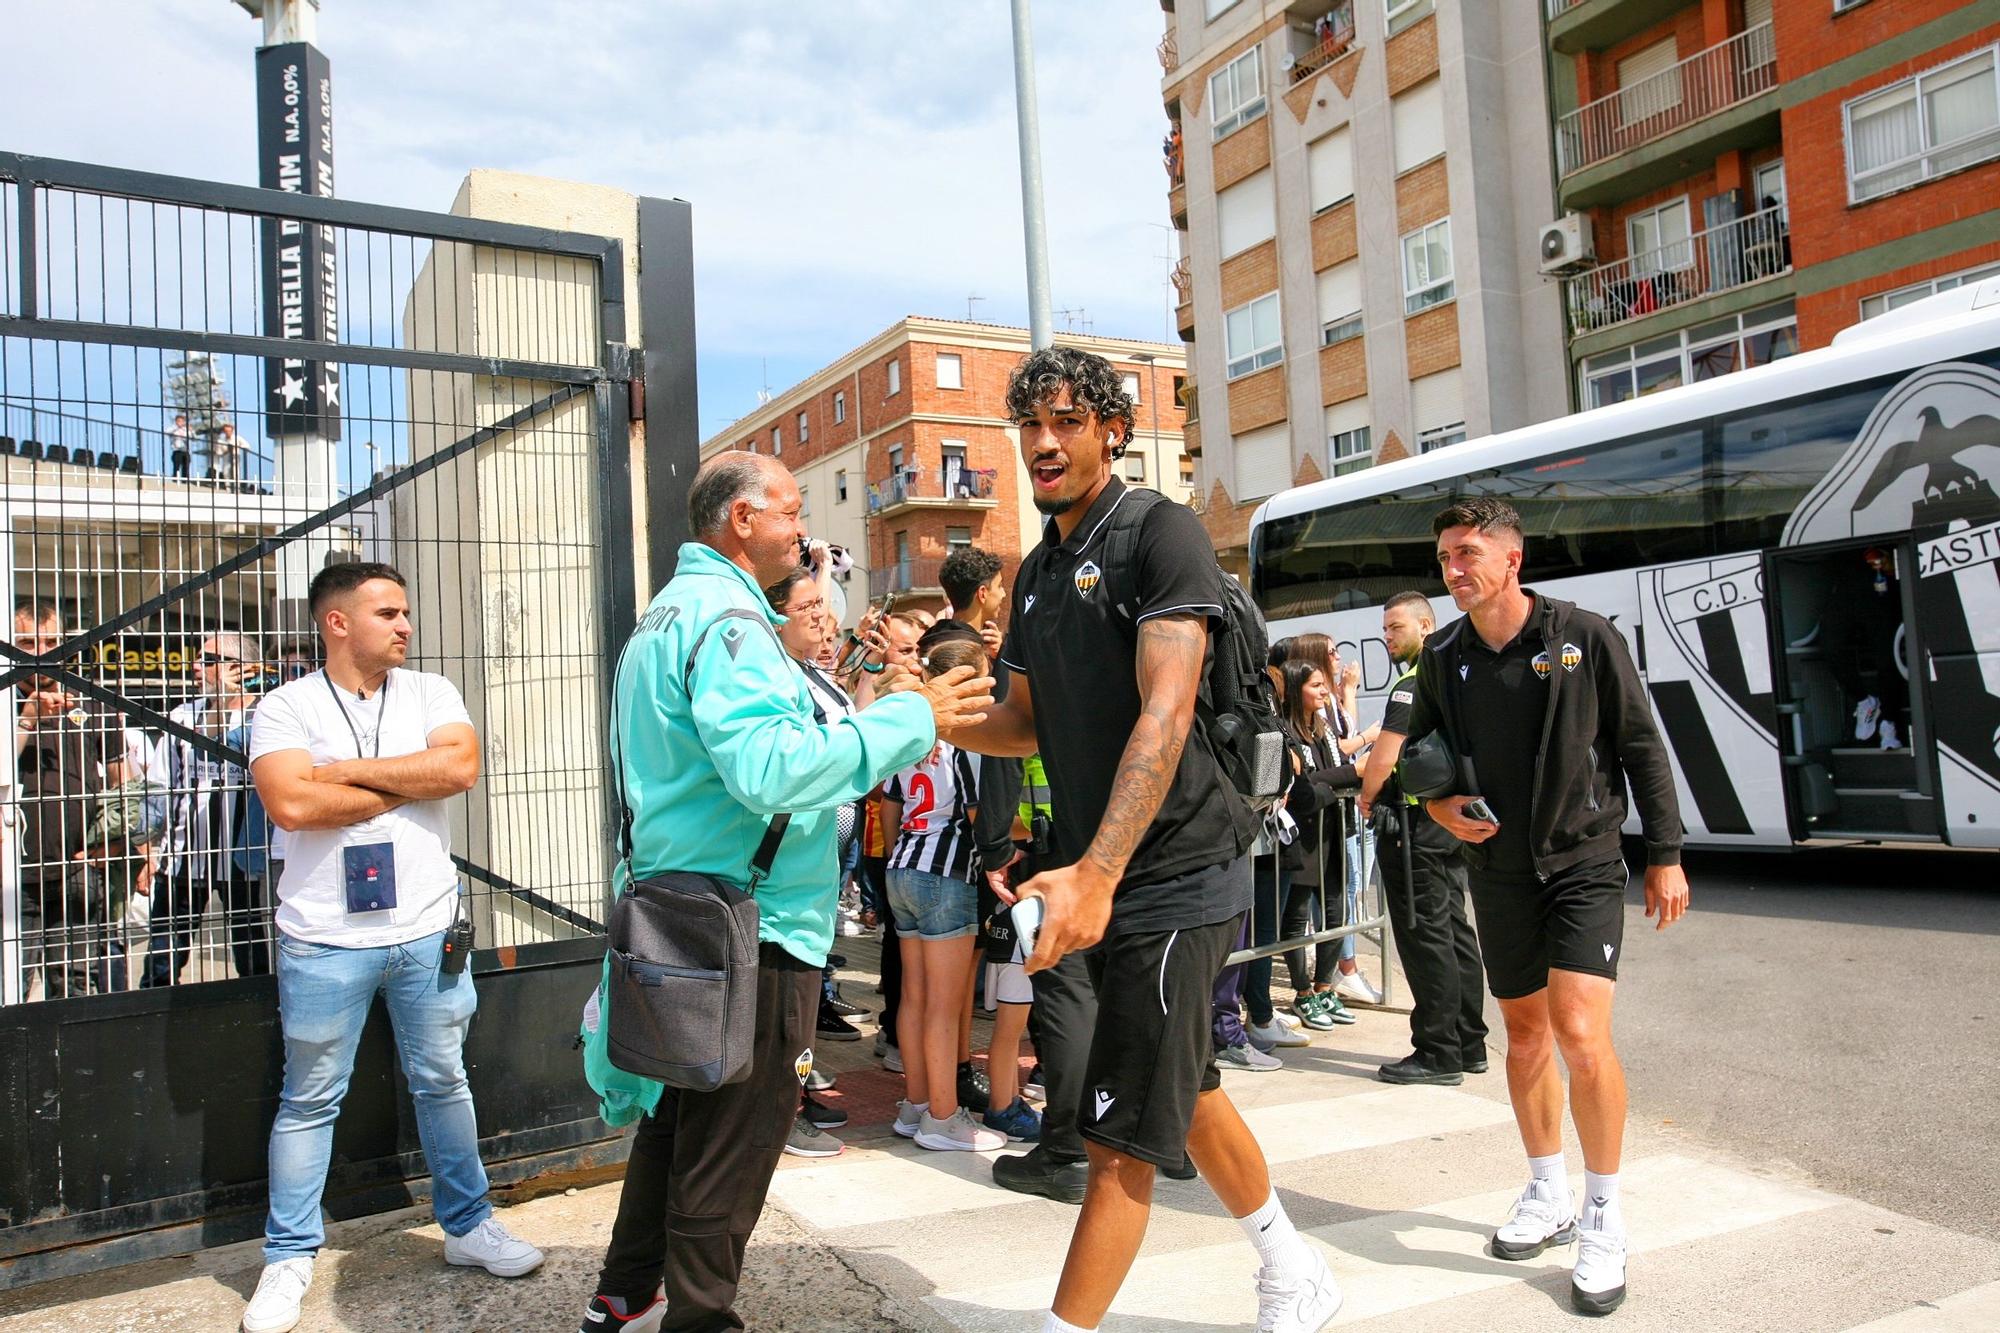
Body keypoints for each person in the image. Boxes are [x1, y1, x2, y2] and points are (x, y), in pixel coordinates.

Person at [960, 345, 1342, 1333]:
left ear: (1111, 432)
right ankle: (1293, 1266)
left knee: (1118, 1144)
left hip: (1173, 869)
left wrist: (1095, 869)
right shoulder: (1037, 570)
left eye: (1066, 422)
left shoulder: (1158, 533)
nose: (1044, 443)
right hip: (1108, 878)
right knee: (1188, 1089)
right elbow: (1024, 721)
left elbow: (1165, 710)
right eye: (1030, 425)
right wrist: (924, 718)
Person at [580, 452, 990, 1333]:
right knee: (733, 1143)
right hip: (750, 928)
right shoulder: (730, 622)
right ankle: (698, 1317)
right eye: (792, 510)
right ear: (742, 519)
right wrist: (912, 717)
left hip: (687, 909)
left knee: (678, 1118)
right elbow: (772, 768)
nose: (805, 531)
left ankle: (625, 1294)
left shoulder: (669, 614)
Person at [1382, 497, 1690, 1317]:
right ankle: (1547, 1188)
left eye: (1468, 553)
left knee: (1581, 1032)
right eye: (1445, 557)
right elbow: (1418, 756)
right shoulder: (1442, 655)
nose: (1454, 569)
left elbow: (1641, 743)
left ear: (1511, 559)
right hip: (1499, 869)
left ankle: (1602, 1212)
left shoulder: (1583, 636)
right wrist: (1439, 806)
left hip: (1583, 862)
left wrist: (1665, 854)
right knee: (1524, 1036)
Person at [242, 562, 541, 1333]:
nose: (406, 624)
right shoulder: (285, 706)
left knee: (443, 1079)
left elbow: (460, 767)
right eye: (388, 613)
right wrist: (409, 780)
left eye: (406, 611)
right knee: (310, 1097)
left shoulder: (430, 692)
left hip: (426, 931)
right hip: (323, 939)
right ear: (337, 621)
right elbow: (291, 802)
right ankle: (288, 1255)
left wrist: (343, 774)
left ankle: (468, 1225)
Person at [885, 622, 1008, 1152]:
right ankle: (942, 1117)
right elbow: (979, 815)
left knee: (913, 997)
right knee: (944, 1003)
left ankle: (915, 1105)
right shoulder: (969, 737)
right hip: (947, 874)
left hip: (902, 867)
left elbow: (891, 804)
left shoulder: (912, 730)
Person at [1358, 590, 1489, 1086]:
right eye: (1385, 629)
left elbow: (1385, 756)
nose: (1387, 637)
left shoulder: (1411, 681)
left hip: (1414, 824)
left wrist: (1367, 796)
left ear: (1425, 627)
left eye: (1396, 627)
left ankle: (1438, 1052)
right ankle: (1469, 1043)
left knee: (1424, 938)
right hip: (1448, 820)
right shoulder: (1454, 675)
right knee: (1454, 931)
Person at [763, 565, 856, 1159]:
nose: (823, 616)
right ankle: (783, 1113)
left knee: (802, 1001)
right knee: (787, 1008)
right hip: (788, 869)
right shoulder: (777, 679)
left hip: (819, 864)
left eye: (824, 605)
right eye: (809, 607)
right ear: (776, 619)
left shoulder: (811, 672)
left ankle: (792, 1099)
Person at [12, 598, 127, 997]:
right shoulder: (5, 701)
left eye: (51, 642)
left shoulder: (92, 701)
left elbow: (125, 783)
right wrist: (27, 718)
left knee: (76, 986)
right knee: (11, 985)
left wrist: (122, 843)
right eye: (27, 643)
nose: (41, 653)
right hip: (13, 874)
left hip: (78, 869)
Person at [144, 632, 273, 987]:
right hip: (184, 858)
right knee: (163, 958)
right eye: (199, 658)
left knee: (252, 957)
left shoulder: (267, 714)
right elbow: (159, 786)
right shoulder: (183, 715)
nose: (196, 666)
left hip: (246, 860)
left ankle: (257, 1012)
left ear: (243, 668)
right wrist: (146, 848)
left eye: (210, 660)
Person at [169, 413, 192, 479]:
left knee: (186, 466)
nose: (181, 423)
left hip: (185, 450)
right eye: (179, 421)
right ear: (176, 421)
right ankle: (175, 479)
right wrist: (177, 427)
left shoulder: (186, 430)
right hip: (177, 450)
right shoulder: (173, 428)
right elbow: (167, 432)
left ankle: (185, 480)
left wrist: (191, 430)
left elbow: (192, 437)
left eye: (182, 421)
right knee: (176, 466)